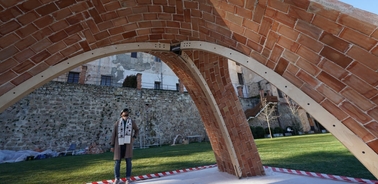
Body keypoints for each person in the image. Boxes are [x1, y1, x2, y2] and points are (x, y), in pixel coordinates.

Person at [111, 108, 139, 184]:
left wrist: (134, 137)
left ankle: (128, 178)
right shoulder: (117, 123)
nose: (126, 116)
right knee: (117, 162)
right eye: (124, 115)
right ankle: (117, 178)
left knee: (128, 161)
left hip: (127, 144)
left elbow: (137, 130)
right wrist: (112, 145)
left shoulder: (132, 122)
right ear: (121, 115)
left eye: (127, 115)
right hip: (119, 145)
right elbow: (114, 134)